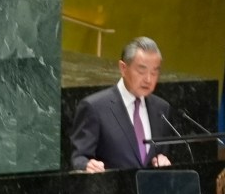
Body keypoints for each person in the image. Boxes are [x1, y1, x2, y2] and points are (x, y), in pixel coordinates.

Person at [69, 37, 177, 172]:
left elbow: (162, 153)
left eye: (154, 72)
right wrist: (86, 165)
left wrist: (163, 160)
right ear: (123, 68)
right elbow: (79, 157)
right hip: (112, 190)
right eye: (142, 71)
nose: (148, 79)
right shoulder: (95, 107)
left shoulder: (161, 109)